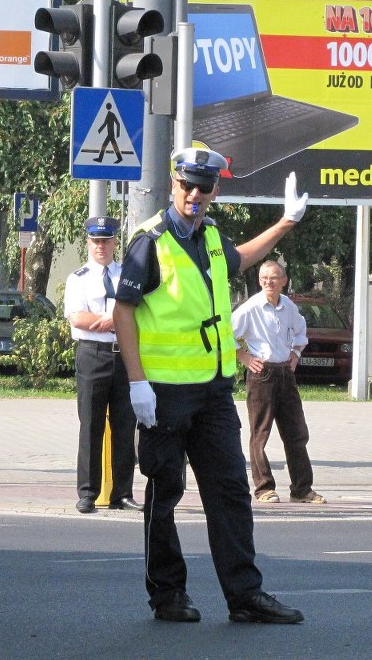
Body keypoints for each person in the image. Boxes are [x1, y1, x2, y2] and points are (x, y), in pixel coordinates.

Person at [113, 147, 309, 625]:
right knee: (165, 492)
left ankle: (245, 596)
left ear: (215, 189)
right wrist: (137, 383)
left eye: (204, 186)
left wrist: (286, 222)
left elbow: (242, 259)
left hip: (213, 392)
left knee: (230, 492)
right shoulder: (150, 242)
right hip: (163, 393)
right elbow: (123, 311)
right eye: (187, 185)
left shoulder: (213, 237)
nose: (195, 194)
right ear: (173, 184)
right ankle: (167, 595)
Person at [63, 216, 140, 514]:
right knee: (91, 425)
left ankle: (122, 493)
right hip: (92, 355)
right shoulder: (78, 278)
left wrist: (114, 321)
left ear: (114, 242)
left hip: (125, 355)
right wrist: (114, 321)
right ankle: (88, 493)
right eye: (96, 241)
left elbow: (138, 312)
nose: (101, 246)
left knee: (125, 426)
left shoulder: (126, 275)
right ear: (88, 242)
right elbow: (77, 318)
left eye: (106, 241)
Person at [232, 260, 325, 505]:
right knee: (260, 433)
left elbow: (300, 331)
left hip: (285, 373)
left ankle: (302, 489)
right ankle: (264, 488)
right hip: (262, 375)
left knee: (296, 433)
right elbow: (226, 334)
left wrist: (296, 354)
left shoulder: (289, 307)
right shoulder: (251, 308)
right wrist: (244, 357)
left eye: (273, 278)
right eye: (264, 278)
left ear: (283, 281)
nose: (268, 282)